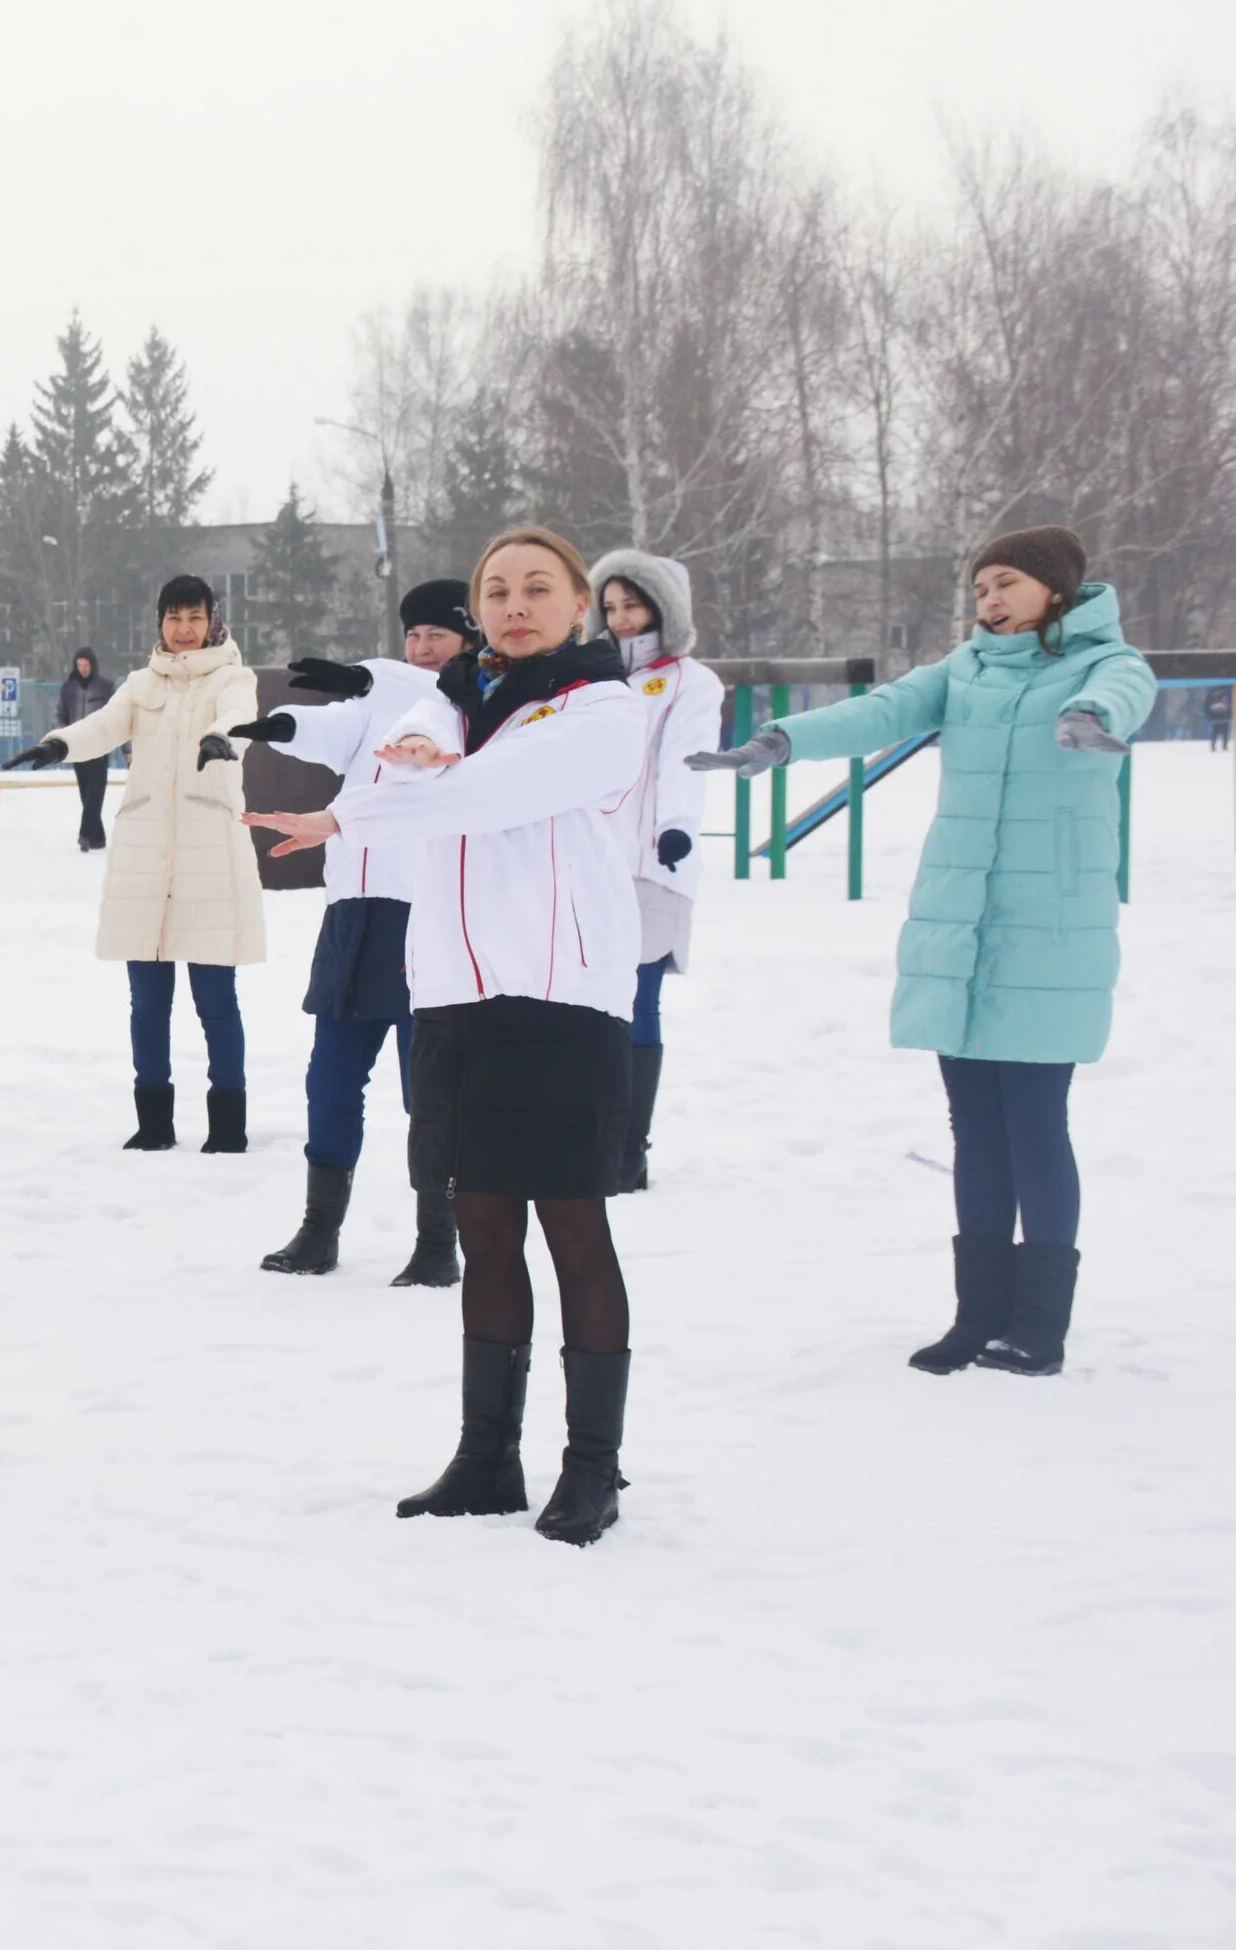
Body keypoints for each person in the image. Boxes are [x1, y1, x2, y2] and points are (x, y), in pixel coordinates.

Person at [247, 528, 648, 1546]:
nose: (516, 605)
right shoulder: (458, 695)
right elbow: (421, 731)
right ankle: (486, 1457)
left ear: (581, 602)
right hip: (456, 995)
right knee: (482, 1227)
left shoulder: (603, 710)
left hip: (561, 998)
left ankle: (592, 1467)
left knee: (572, 1231)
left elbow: (492, 789)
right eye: (498, 590)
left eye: (538, 589)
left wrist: (355, 816)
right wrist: (416, 749)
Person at [694, 525, 1151, 1377]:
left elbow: (1128, 692)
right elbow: (882, 709)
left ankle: (1040, 1327)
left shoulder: (1104, 665)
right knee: (974, 1127)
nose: (989, 601)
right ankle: (977, 1315)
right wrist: (782, 742)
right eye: (980, 589)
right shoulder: (966, 671)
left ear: (1055, 589)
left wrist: (1091, 719)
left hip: (1050, 932)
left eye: (1005, 583)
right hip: (960, 928)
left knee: (1037, 1125)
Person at [210, 578, 477, 1284]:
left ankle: (436, 1242)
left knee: (431, 1094)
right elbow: (339, 728)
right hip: (352, 914)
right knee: (329, 1081)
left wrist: (379, 682)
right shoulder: (384, 692)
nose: (423, 646)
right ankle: (319, 1229)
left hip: (429, 919)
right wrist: (283, 728)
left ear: (468, 640)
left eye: (438, 635)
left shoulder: (472, 701)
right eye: (413, 634)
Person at [7, 576, 267, 1153]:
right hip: (147, 856)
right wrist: (57, 744)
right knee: (147, 1004)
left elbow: (238, 715)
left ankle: (228, 1124)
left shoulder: (231, 676)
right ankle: (154, 1122)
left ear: (211, 620)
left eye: (194, 618)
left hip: (207, 857)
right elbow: (102, 727)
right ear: (160, 624)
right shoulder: (140, 684)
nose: (184, 629)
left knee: (215, 1000)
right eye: (173, 618)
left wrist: (224, 739)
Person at [591, 549, 724, 1193]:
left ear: (663, 609)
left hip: (651, 860)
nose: (619, 619)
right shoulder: (590, 675)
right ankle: (592, 1133)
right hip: (590, 862)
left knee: (639, 1000)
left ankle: (627, 1148)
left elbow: (685, 759)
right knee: (591, 1004)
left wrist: (676, 825)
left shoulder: (690, 681)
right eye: (610, 606)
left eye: (632, 605)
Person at [56, 645, 120, 850]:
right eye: (79, 665)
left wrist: (127, 750)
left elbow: (118, 717)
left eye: (86, 664)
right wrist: (64, 739)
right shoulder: (68, 688)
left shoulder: (106, 687)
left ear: (93, 665)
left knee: (96, 791)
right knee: (86, 791)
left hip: (99, 746)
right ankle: (98, 838)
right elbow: (60, 715)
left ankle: (85, 834)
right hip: (77, 746)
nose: (83, 668)